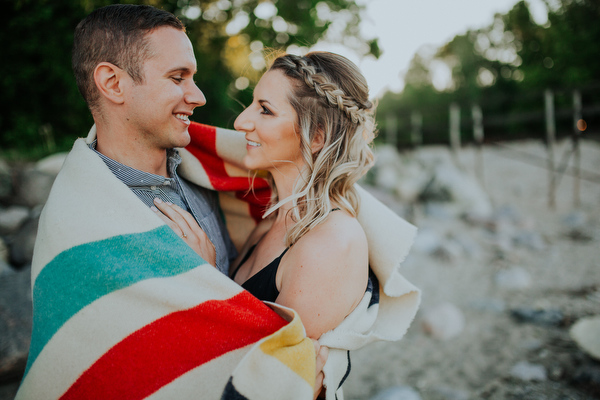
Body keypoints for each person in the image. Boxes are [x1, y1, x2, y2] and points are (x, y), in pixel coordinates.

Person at [16, 4, 326, 400]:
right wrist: (203, 286)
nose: (197, 96)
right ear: (112, 83)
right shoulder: (78, 228)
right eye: (178, 77)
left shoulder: (206, 175)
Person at [154, 52, 421, 399]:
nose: (240, 122)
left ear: (316, 137)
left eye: (265, 110)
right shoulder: (272, 215)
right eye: (252, 104)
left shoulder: (330, 243)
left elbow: (270, 380)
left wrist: (204, 280)